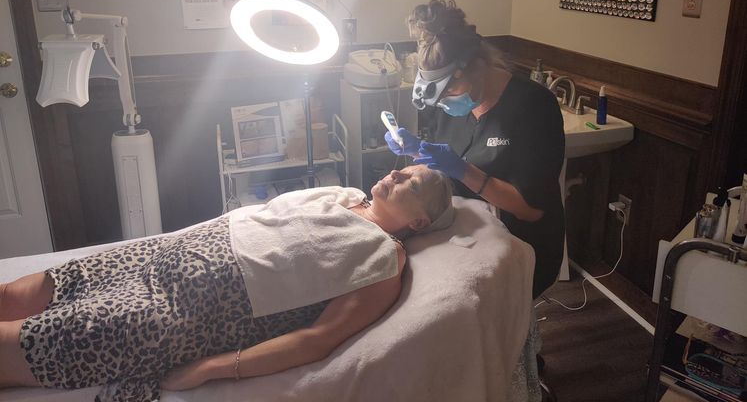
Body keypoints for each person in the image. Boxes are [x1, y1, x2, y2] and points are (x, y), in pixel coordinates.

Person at [0, 166, 452, 402]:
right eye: (401, 169)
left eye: (411, 181)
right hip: (156, 256)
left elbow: (318, 339)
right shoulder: (342, 195)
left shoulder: (384, 258)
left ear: (419, 220)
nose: (395, 174)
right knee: (13, 295)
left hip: (181, 310)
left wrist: (211, 368)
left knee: (20, 344)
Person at [385, 0, 565, 300]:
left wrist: (463, 170)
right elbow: (445, 164)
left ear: (478, 66)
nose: (446, 102)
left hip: (519, 247)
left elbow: (530, 210)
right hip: (467, 238)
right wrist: (418, 151)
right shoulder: (449, 106)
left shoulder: (534, 107)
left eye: (452, 91)